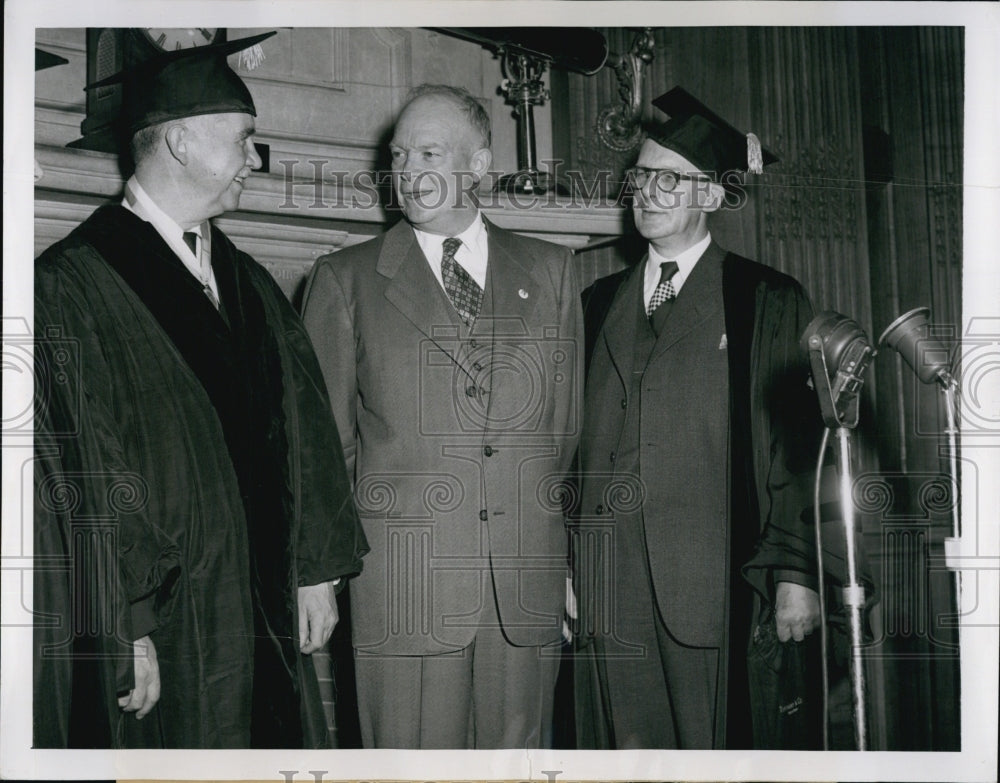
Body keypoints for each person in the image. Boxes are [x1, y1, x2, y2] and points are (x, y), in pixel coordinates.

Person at [33, 32, 368, 749]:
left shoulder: (245, 280)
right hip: (173, 614)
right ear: (181, 142)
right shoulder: (75, 284)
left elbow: (305, 426)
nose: (256, 156)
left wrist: (313, 570)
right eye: (244, 138)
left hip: (263, 606)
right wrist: (129, 621)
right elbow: (88, 465)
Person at [301, 84, 581, 749]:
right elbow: (322, 448)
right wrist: (319, 570)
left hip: (523, 590)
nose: (408, 171)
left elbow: (561, 434)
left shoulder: (551, 271)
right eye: (399, 155)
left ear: (478, 165)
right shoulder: (345, 280)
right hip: (406, 589)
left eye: (428, 152)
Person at [572, 86, 828, 750]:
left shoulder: (763, 300)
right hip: (609, 588)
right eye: (640, 175)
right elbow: (567, 446)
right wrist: (565, 568)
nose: (647, 191)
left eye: (670, 179)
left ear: (712, 196)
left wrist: (797, 572)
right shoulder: (594, 303)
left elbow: (800, 448)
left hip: (716, 582)